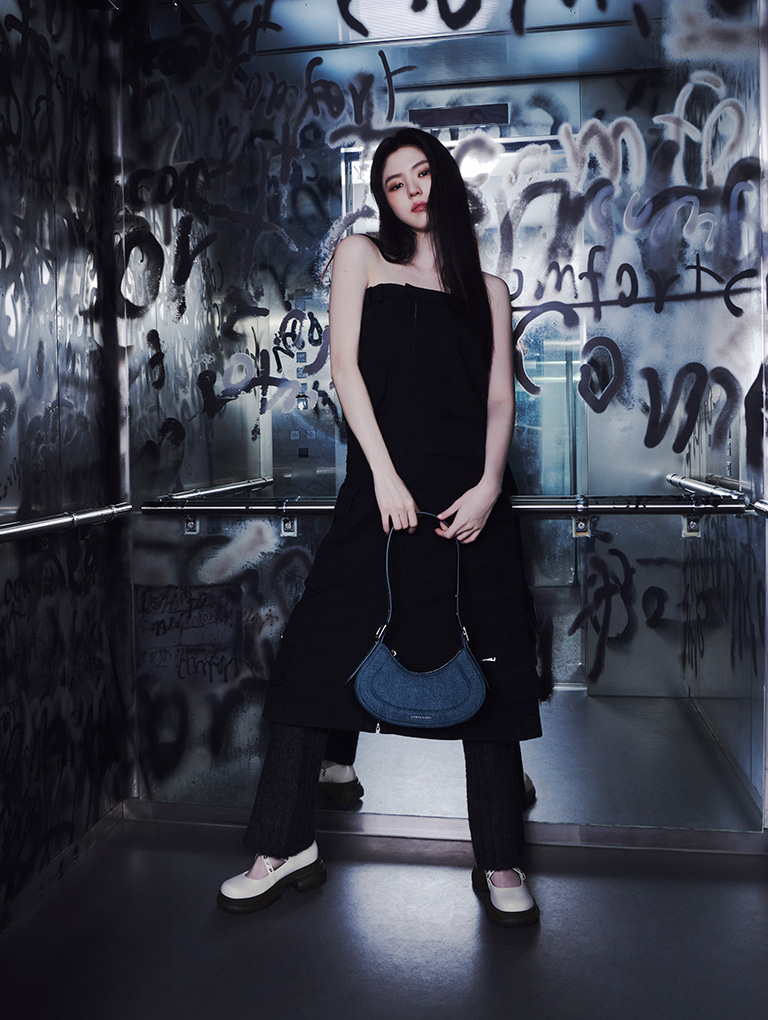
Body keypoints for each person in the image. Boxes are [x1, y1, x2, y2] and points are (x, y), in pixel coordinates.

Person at [218, 127, 544, 927]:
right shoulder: (361, 257)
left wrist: (489, 487)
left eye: (422, 174)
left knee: (491, 671)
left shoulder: (489, 289)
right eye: (395, 184)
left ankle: (500, 858)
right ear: (383, 200)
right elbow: (345, 371)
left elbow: (499, 399)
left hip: (473, 502)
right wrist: (386, 476)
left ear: (446, 179)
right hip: (381, 493)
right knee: (311, 659)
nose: (412, 192)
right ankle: (283, 845)